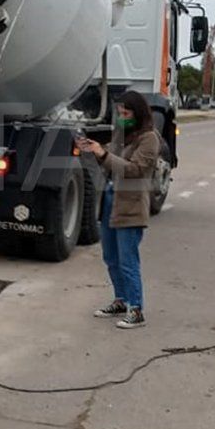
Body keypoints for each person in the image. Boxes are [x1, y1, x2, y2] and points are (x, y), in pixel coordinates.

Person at [77, 90, 160, 329]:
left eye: (126, 114)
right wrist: (95, 151)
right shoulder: (121, 134)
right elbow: (110, 163)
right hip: (111, 200)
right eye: (120, 113)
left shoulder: (149, 139)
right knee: (111, 257)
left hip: (131, 205)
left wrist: (104, 154)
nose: (121, 117)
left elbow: (135, 170)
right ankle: (121, 300)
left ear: (138, 113)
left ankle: (136, 309)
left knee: (127, 260)